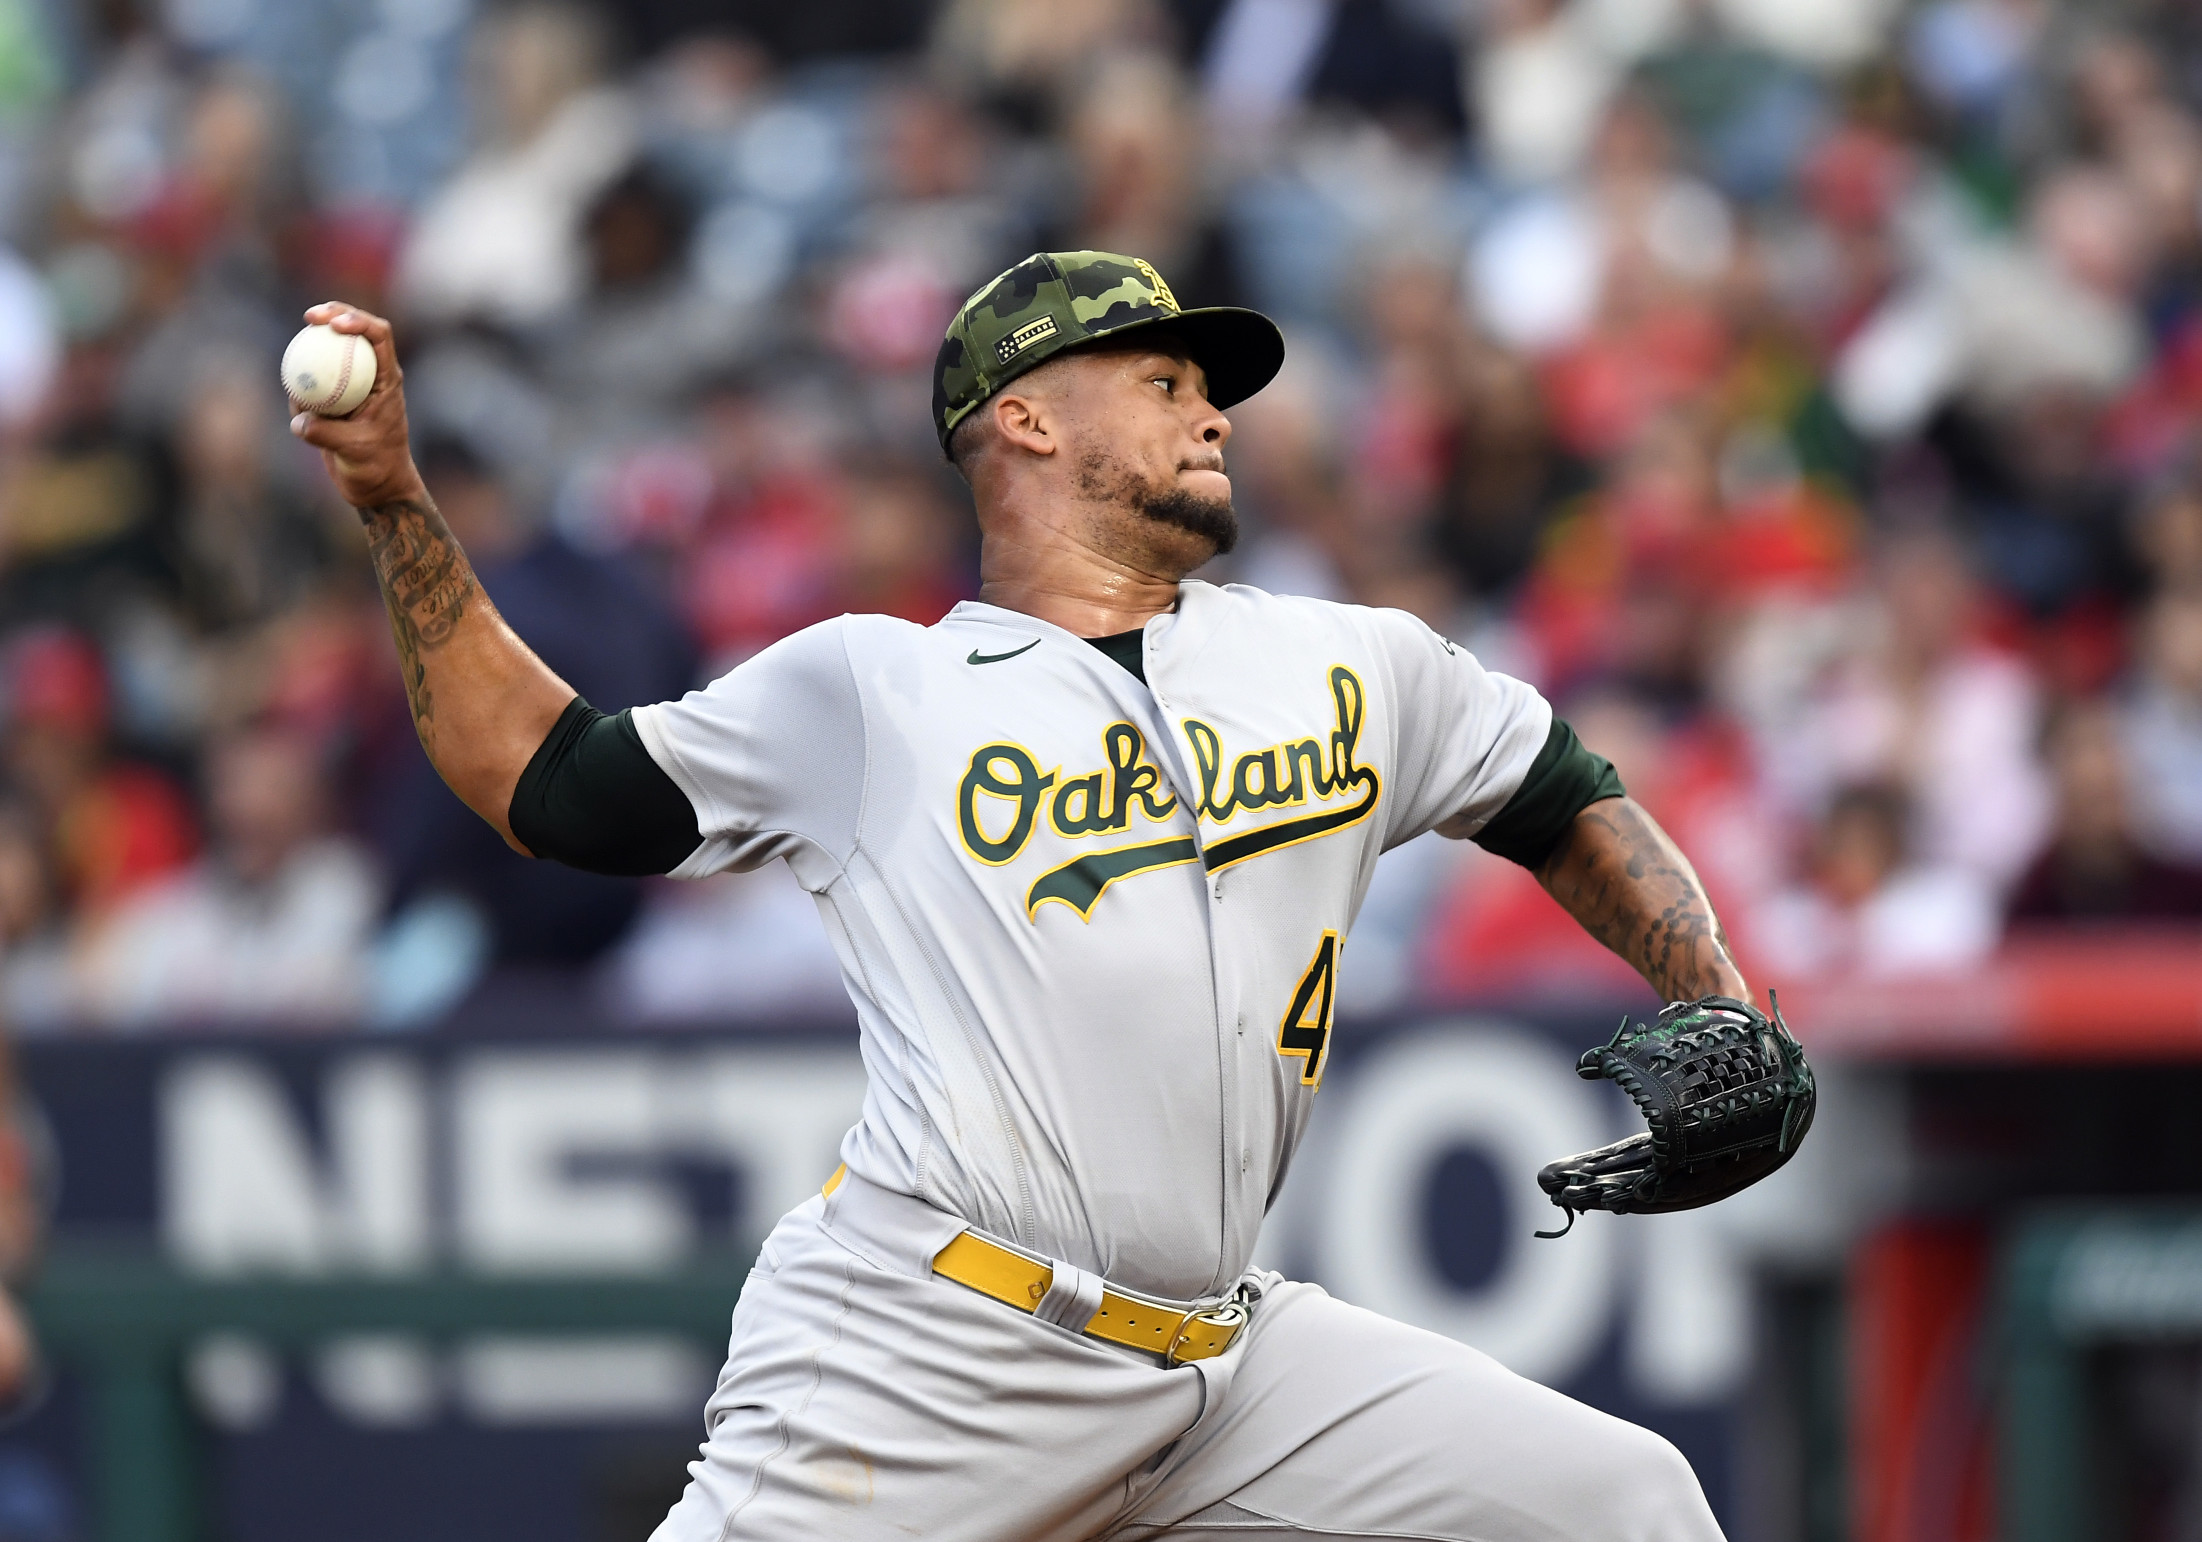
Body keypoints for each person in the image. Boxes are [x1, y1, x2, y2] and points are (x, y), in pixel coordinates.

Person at [290, 251, 1754, 1541]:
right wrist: (394, 500)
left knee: (1625, 1506)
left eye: (1209, 388)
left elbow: (1562, 791)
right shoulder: (876, 688)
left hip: (1231, 1367)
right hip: (939, 1347)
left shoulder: (1346, 663)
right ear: (1027, 415)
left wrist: (1719, 1002)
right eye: (1164, 377)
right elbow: (544, 783)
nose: (1212, 410)